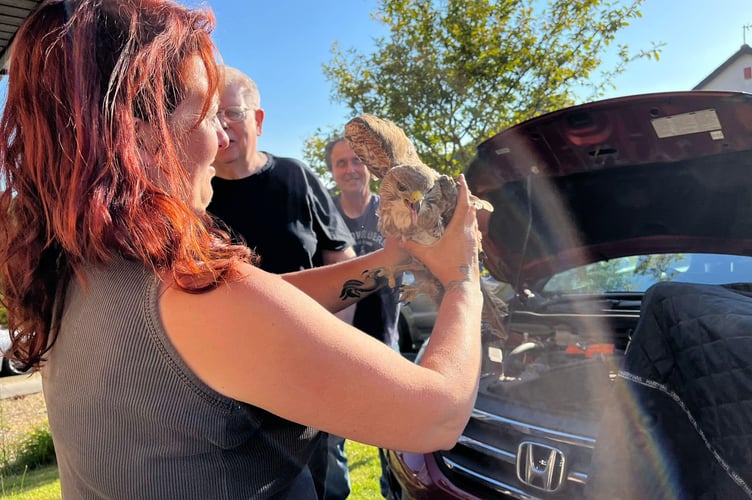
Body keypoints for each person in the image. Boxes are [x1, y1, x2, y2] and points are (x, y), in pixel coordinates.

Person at [0, 1, 483, 499]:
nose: (223, 135)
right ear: (139, 131)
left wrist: (392, 262)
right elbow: (436, 415)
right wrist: (463, 279)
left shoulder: (78, 269)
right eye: (209, 114)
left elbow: (266, 301)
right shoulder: (187, 295)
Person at [313, 137, 403, 499]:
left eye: (357, 161)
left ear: (369, 167)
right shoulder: (322, 213)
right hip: (334, 345)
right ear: (332, 172)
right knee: (330, 437)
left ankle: (395, 493)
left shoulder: (392, 213)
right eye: (341, 163)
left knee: (394, 437)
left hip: (383, 339)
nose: (351, 169)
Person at [207, 66, 356, 276]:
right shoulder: (193, 194)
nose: (221, 124)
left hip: (310, 307)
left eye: (233, 113)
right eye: (211, 115)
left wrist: (334, 310)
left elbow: (341, 257)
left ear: (258, 121)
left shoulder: (295, 175)